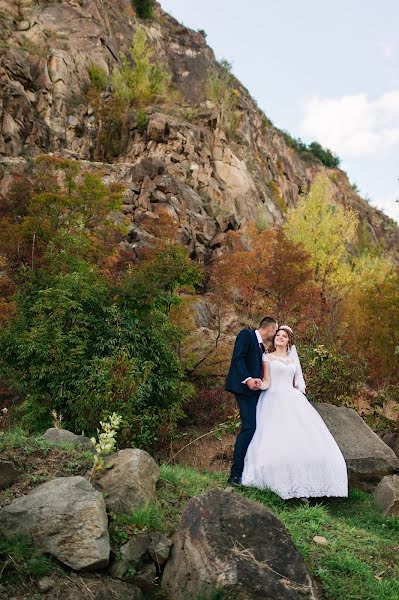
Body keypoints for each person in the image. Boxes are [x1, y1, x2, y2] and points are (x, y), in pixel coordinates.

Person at [241, 326, 348, 499]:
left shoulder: (291, 361)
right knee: (275, 439)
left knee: (301, 438)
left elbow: (298, 380)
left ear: (289, 341)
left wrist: (300, 390)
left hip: (292, 398)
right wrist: (260, 384)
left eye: (284, 336)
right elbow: (268, 381)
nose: (280, 338)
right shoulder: (266, 357)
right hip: (272, 398)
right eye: (278, 335)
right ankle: (275, 482)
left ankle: (306, 484)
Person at [225, 316, 278, 486]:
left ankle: (253, 472)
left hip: (256, 392)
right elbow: (238, 359)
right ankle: (235, 474)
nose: (275, 334)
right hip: (243, 390)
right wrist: (248, 379)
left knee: (258, 429)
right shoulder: (246, 335)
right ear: (270, 329)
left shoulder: (262, 347)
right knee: (249, 428)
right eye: (275, 330)